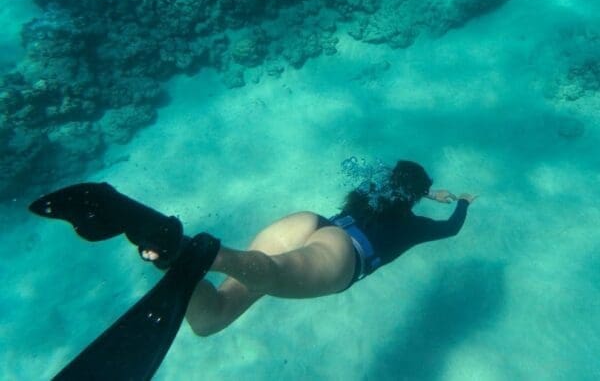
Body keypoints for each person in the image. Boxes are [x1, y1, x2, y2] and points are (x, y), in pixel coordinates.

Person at [30, 159, 476, 379]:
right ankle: (188, 248)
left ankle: (161, 248)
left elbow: (393, 183)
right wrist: (457, 201)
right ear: (414, 196)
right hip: (342, 256)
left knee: (210, 318)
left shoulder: (366, 193)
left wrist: (422, 190)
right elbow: (452, 229)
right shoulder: (413, 225)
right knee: (270, 272)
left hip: (309, 223)